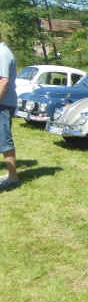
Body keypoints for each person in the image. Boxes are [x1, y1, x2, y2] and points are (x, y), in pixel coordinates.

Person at [0, 33, 19, 189]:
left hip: (3, 104)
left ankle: (13, 178)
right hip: (4, 103)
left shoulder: (2, 53)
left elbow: (4, 82)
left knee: (4, 140)